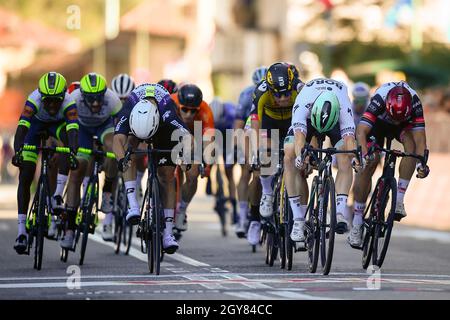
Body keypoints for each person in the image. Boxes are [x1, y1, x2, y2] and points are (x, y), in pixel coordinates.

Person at [113, 83, 192, 253]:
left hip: (163, 129)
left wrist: (186, 157)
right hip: (138, 128)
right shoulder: (129, 108)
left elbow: (187, 137)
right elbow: (117, 140)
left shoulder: (168, 112)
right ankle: (132, 205)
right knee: (129, 153)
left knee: (167, 175)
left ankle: (168, 234)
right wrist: (121, 160)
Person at [349, 81, 429, 248]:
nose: (394, 119)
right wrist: (364, 156)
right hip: (378, 124)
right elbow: (361, 132)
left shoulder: (415, 103)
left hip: (402, 127)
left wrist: (422, 164)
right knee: (369, 164)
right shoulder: (379, 99)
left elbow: (421, 140)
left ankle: (399, 200)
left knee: (411, 146)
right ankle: (357, 223)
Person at [285, 78, 359, 244]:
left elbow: (349, 141)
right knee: (289, 154)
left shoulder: (343, 105)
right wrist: (300, 156)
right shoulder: (303, 102)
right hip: (310, 119)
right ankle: (298, 219)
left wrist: (355, 159)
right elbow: (299, 138)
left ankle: (339, 212)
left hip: (333, 119)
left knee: (345, 156)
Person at [12, 71, 79, 254]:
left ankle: (57, 194)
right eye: (47, 100)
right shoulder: (33, 99)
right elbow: (22, 128)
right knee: (26, 173)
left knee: (67, 145)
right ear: (41, 96)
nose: (51, 105)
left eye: (55, 100)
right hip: (35, 126)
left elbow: (73, 132)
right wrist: (18, 151)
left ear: (63, 96)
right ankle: (21, 231)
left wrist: (73, 151)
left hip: (57, 126)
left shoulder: (68, 102)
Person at [63, 72, 122, 247]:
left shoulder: (112, 100)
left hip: (104, 127)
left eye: (99, 98)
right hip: (82, 129)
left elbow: (122, 126)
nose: (96, 103)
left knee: (114, 149)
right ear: (83, 96)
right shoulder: (73, 97)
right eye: (91, 99)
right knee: (77, 170)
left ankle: (108, 192)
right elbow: (63, 124)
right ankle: (69, 229)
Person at [248, 62, 304, 246]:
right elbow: (255, 125)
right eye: (278, 94)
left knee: (296, 161)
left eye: (287, 94)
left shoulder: (299, 87)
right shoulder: (261, 92)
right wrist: (257, 151)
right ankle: (267, 194)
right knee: (265, 153)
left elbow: (307, 121)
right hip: (269, 122)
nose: (282, 98)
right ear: (270, 89)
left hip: (291, 123)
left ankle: (298, 217)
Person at [170, 84, 215, 234]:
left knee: (193, 174)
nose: (188, 114)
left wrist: (207, 163)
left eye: (193, 111)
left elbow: (209, 139)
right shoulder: (170, 102)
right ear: (178, 105)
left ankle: (182, 209)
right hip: (170, 133)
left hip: (194, 135)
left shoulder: (205, 109)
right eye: (184, 109)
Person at [234, 66, 267, 238]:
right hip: (250, 128)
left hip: (269, 128)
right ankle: (242, 217)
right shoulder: (247, 94)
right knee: (247, 169)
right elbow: (239, 123)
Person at [209, 97, 237, 227]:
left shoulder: (231, 113)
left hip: (229, 136)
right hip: (214, 135)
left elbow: (236, 135)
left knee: (229, 171)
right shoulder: (207, 115)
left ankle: (234, 206)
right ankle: (210, 179)